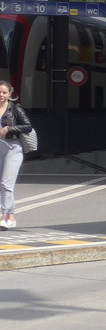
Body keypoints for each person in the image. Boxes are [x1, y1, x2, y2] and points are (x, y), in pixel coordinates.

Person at [0, 80, 33, 229]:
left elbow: (27, 126)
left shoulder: (15, 108)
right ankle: (10, 215)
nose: (1, 95)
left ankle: (6, 216)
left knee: (6, 183)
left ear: (9, 94)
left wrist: (9, 129)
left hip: (13, 148)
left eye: (4, 92)